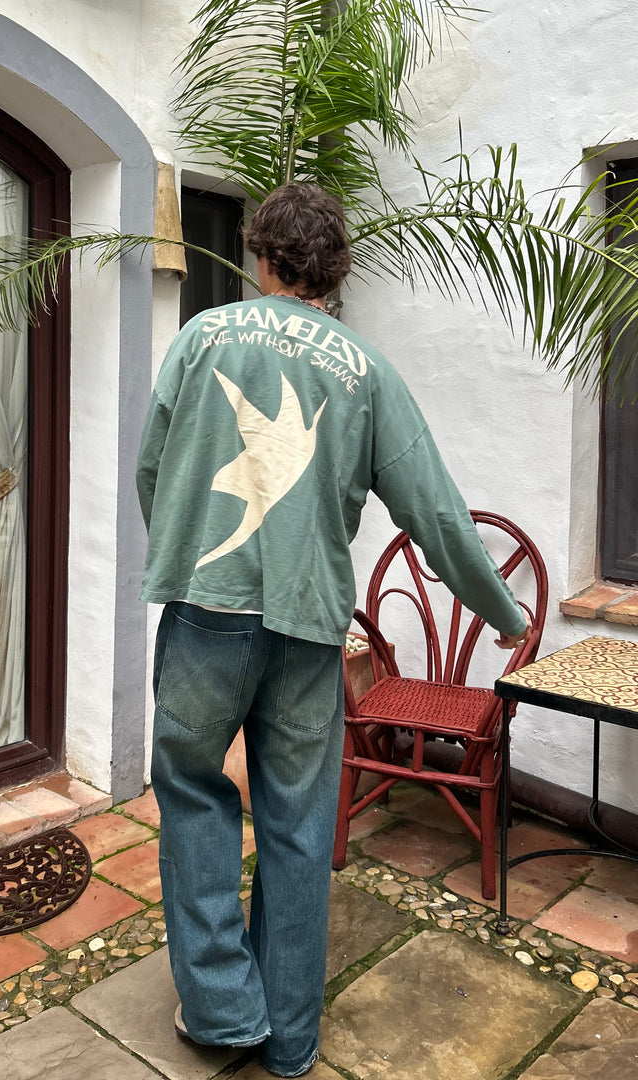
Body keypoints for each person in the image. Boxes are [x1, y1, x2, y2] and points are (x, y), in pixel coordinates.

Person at [136, 182, 529, 1078]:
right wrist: (501, 612)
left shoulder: (201, 337)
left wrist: (189, 556)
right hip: (310, 629)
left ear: (259, 255)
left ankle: (223, 1013)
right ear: (335, 271)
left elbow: (154, 468)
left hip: (206, 613)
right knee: (299, 821)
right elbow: (434, 511)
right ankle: (290, 1040)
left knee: (192, 794)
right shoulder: (367, 369)